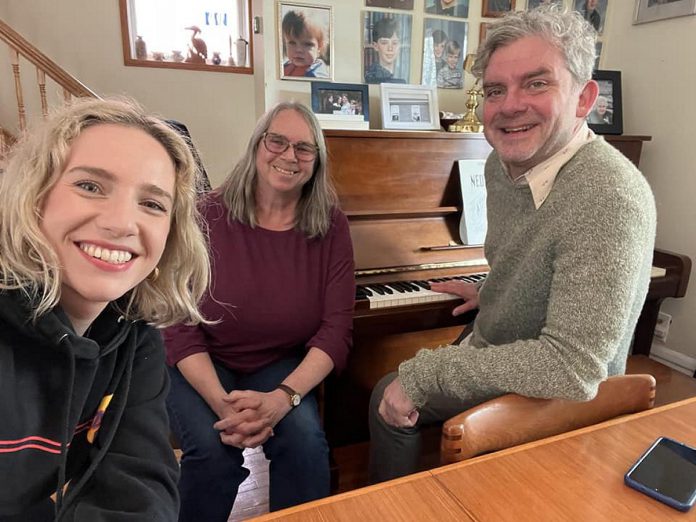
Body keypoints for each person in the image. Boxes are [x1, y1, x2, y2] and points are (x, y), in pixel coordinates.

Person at [369, 6, 656, 483]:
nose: (508, 106)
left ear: (584, 98)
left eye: (537, 83)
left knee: (390, 391)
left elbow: (572, 367)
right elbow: (535, 260)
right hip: (502, 338)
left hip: (561, 391)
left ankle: (397, 503)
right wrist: (495, 290)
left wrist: (421, 378)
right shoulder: (500, 165)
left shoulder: (610, 197)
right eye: (496, 90)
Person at [0, 98, 210, 520]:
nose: (120, 223)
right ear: (34, 194)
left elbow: (139, 486)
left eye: (152, 203)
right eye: (90, 186)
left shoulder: (136, 341)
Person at [164, 101, 355, 521]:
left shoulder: (331, 225)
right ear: (256, 147)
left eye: (304, 149)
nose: (289, 156)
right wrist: (221, 404)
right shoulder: (205, 215)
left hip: (277, 364)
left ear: (316, 162)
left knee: (306, 442)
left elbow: (335, 328)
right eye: (278, 141)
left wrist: (282, 399)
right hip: (201, 363)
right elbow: (178, 321)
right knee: (214, 450)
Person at [282, 10, 330, 78]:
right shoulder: (284, 68)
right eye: (292, 43)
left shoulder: (317, 75)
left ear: (319, 46)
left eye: (307, 44)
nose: (298, 50)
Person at [364, 17, 406, 84]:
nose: (390, 48)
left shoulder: (404, 73)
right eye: (384, 43)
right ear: (376, 46)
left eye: (394, 43)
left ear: (400, 45)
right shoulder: (370, 77)